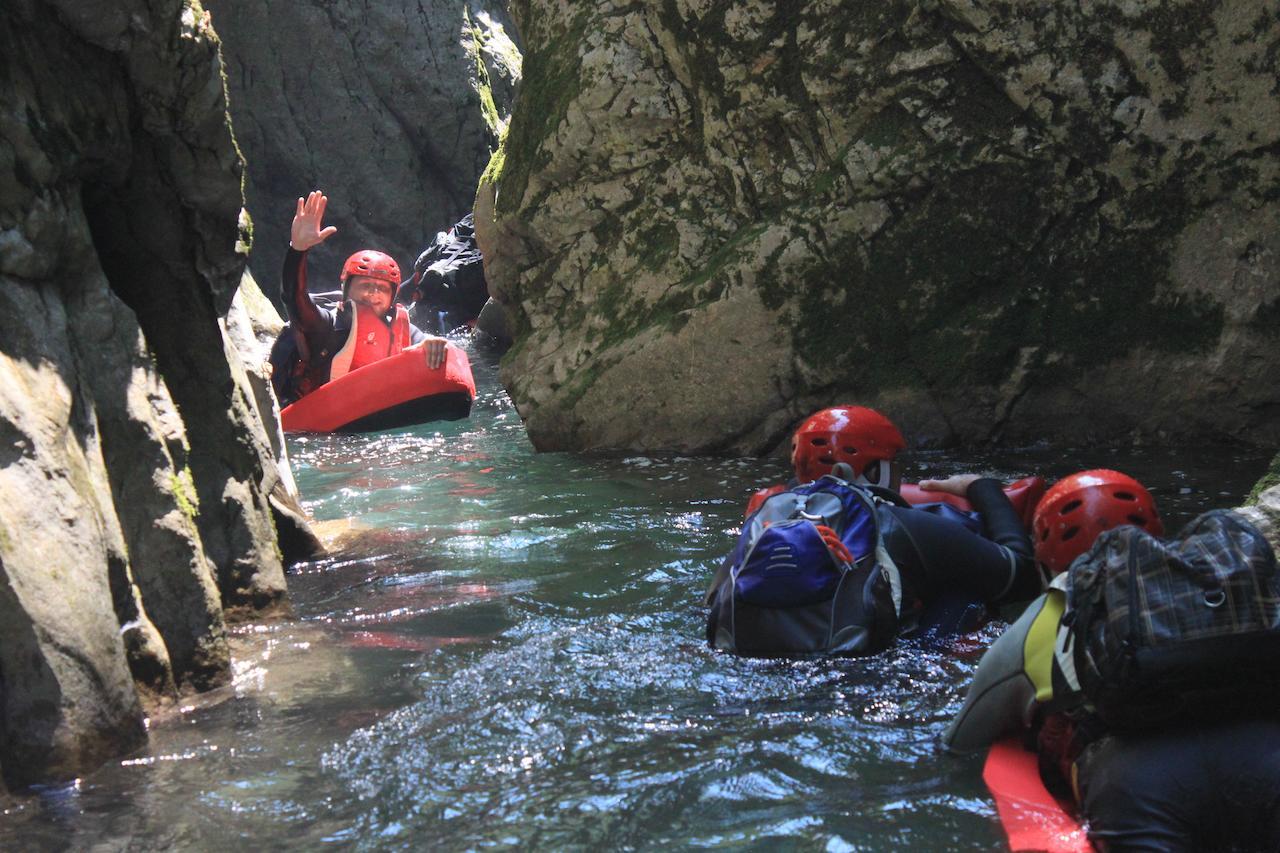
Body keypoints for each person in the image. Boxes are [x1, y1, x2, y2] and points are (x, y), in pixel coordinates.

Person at [943, 469, 1280, 852]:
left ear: (1045, 559)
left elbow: (962, 738)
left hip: (1139, 783)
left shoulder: (1045, 614)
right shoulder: (1215, 582)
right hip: (1268, 756)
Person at [706, 406, 1045, 651]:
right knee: (966, 592)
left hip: (749, 669)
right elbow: (1021, 574)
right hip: (865, 682)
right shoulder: (900, 524)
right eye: (892, 465)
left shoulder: (763, 522)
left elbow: (710, 605)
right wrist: (981, 487)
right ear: (872, 472)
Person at [276, 190, 446, 402]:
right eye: (365, 285)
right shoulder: (325, 324)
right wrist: (298, 250)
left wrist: (433, 344)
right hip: (315, 424)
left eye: (382, 289)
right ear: (346, 288)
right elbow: (294, 298)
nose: (373, 294)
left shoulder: (402, 328)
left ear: (392, 297)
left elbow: (427, 345)